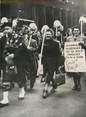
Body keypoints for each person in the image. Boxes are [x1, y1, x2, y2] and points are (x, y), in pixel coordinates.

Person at [41, 28, 62, 98]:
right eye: (46, 34)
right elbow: (39, 50)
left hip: (53, 62)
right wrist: (38, 53)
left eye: (49, 34)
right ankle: (54, 84)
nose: (48, 35)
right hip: (44, 62)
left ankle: (45, 89)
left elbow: (59, 54)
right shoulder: (42, 42)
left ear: (52, 35)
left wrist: (58, 65)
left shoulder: (56, 43)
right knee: (48, 74)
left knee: (49, 75)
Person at [66, 27, 84, 91]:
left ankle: (79, 84)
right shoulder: (68, 38)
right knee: (73, 71)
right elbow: (66, 47)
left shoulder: (82, 38)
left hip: (79, 57)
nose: (76, 32)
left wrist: (83, 45)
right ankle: (75, 84)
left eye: (77, 31)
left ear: (79, 31)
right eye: (75, 31)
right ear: (73, 32)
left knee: (78, 71)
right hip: (72, 57)